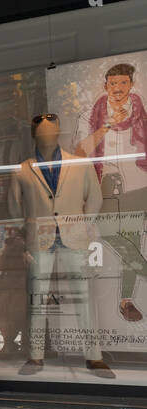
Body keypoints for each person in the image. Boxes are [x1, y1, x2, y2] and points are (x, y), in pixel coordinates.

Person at [7, 113, 112, 378]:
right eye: (41, 132)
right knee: (37, 299)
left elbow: (95, 199)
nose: (47, 136)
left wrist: (84, 225)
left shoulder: (80, 164)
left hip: (74, 239)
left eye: (51, 131)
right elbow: (13, 208)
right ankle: (35, 356)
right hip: (38, 240)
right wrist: (26, 233)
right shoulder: (22, 170)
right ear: (34, 136)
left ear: (58, 134)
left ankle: (94, 357)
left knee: (84, 297)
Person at [77, 62, 147, 323]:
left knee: (132, 242)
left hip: (137, 186)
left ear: (131, 85)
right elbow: (80, 151)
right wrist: (105, 126)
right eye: (113, 83)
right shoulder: (89, 115)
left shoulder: (143, 115)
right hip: (104, 189)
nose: (118, 88)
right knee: (111, 237)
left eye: (123, 83)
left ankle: (126, 301)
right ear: (105, 85)